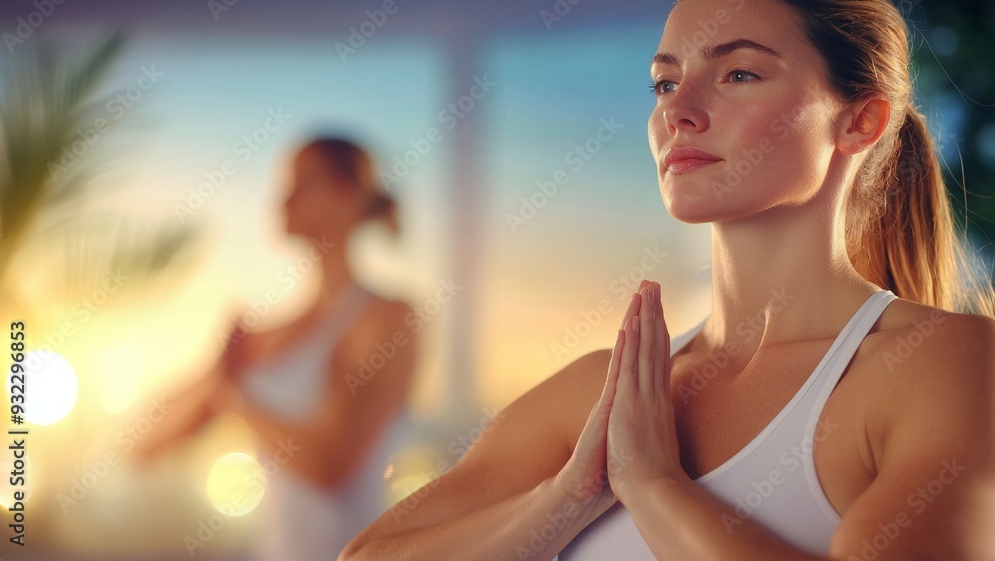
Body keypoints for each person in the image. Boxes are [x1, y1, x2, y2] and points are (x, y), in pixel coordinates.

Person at [338, 0, 995, 559]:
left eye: (738, 74)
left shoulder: (944, 366)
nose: (678, 110)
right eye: (664, 82)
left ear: (860, 122)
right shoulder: (601, 395)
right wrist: (569, 495)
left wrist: (653, 484)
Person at [134, 138, 418, 561]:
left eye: (303, 182)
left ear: (348, 193)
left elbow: (332, 466)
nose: (283, 198)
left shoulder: (389, 317)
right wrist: (218, 375)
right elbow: (145, 444)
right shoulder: (269, 336)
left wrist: (231, 394)